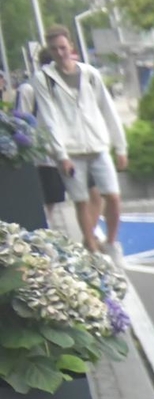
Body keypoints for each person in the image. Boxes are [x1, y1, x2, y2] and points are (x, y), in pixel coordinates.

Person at [34, 27, 128, 256]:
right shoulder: (44, 79)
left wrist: (120, 146)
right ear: (49, 51)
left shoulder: (90, 74)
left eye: (63, 47)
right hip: (71, 151)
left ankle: (110, 243)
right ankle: (92, 248)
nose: (60, 53)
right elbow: (49, 118)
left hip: (97, 145)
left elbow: (107, 109)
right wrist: (61, 154)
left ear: (71, 47)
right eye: (54, 49)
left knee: (113, 197)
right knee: (81, 200)